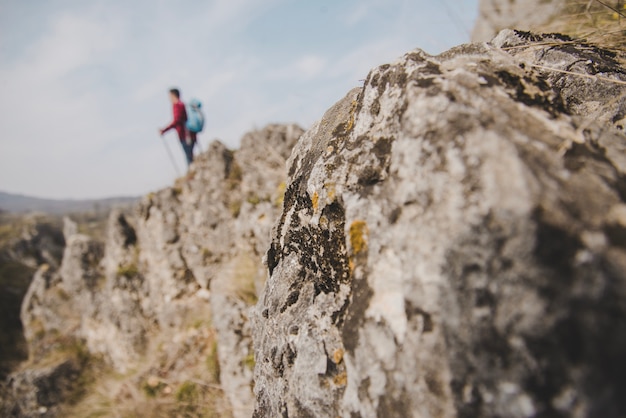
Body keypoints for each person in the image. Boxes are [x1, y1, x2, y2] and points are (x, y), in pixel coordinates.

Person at [159, 88, 195, 166]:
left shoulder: (176, 105)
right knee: (190, 156)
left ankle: (192, 174)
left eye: (169, 96)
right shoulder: (183, 104)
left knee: (189, 158)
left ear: (173, 95)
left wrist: (164, 130)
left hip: (184, 134)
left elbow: (176, 121)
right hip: (190, 133)